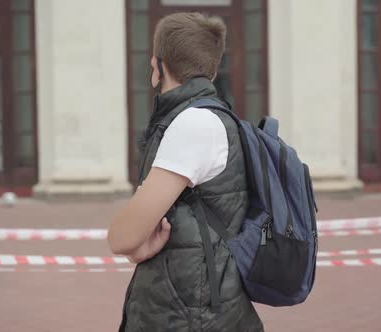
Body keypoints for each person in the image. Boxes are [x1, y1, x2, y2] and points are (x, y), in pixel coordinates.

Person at [107, 12, 264, 332]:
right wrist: (138, 246)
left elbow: (121, 236)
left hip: (187, 313)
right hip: (199, 303)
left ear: (158, 66)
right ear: (212, 68)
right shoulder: (212, 118)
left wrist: (135, 243)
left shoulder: (192, 125)